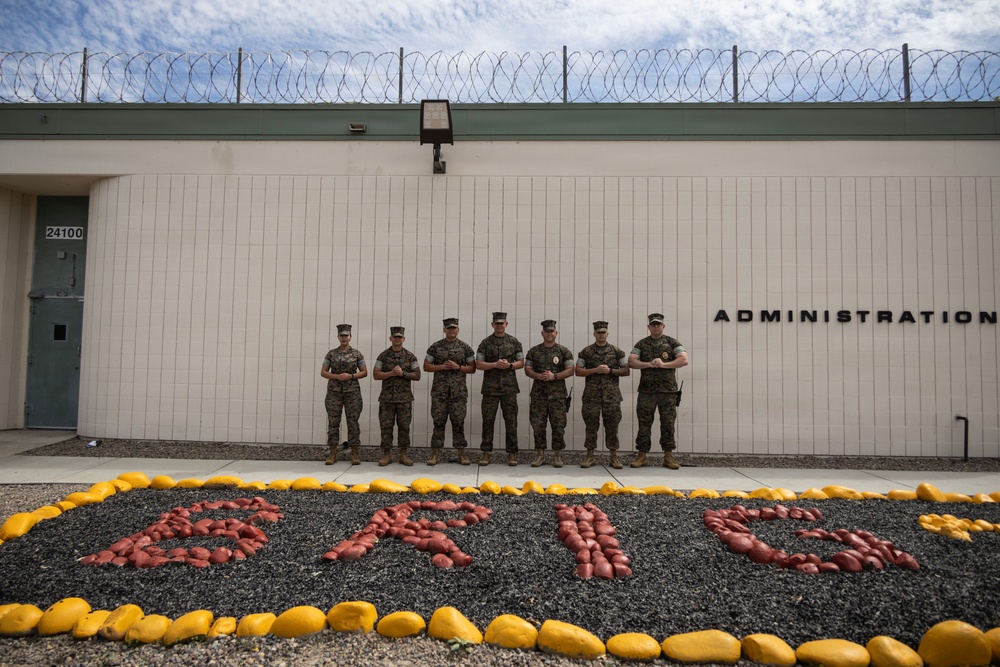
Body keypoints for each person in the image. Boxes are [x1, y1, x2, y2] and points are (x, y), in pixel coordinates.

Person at [628, 313, 688, 469]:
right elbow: (631, 362)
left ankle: (668, 457)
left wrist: (664, 365)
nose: (656, 327)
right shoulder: (641, 344)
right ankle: (642, 456)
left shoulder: (672, 342)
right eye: (653, 324)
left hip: (667, 392)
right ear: (649, 327)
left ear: (663, 326)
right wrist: (648, 364)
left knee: (668, 424)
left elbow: (683, 359)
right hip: (646, 392)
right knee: (644, 424)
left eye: (658, 324)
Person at [575, 320, 630, 469]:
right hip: (591, 396)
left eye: (603, 332)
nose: (601, 335)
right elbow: (578, 371)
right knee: (591, 426)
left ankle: (613, 457)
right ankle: (590, 456)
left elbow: (626, 370)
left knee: (612, 426)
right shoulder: (585, 352)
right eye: (598, 332)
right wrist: (594, 370)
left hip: (611, 397)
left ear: (607, 333)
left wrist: (610, 371)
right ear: (594, 334)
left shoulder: (617, 351)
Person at [423, 317, 477, 465]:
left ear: (458, 330)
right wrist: (441, 367)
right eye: (448, 328)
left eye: (454, 328)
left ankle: (461, 454)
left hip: (458, 394)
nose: (451, 330)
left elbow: (472, 368)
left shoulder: (465, 348)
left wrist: (458, 367)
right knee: (438, 422)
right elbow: (426, 366)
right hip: (439, 393)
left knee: (458, 422)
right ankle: (435, 454)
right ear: (444, 330)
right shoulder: (435, 347)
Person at [523, 319, 575, 467]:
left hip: (557, 396)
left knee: (558, 426)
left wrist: (555, 376)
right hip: (538, 395)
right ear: (542, 333)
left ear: (556, 333)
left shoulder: (563, 351)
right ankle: (540, 455)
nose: (549, 334)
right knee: (538, 425)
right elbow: (527, 369)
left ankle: (557, 456)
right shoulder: (533, 351)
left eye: (552, 331)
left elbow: (571, 370)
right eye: (547, 331)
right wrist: (538, 376)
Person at [475, 311, 524, 466]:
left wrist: (509, 365)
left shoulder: (514, 342)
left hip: (509, 389)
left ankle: (512, 453)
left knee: (511, 421)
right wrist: (495, 364)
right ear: (492, 325)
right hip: (490, 389)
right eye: (497, 323)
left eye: (502, 323)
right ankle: (486, 452)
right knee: (488, 421)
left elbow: (521, 362)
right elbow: (479, 364)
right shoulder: (485, 343)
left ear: (506, 324)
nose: (499, 326)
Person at [373, 326, 421, 466]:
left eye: (400, 337)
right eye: (395, 337)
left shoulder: (410, 356)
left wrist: (403, 374)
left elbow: (417, 375)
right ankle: (387, 454)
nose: (397, 339)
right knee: (386, 427)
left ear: (403, 339)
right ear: (390, 338)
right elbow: (376, 374)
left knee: (404, 427)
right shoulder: (383, 356)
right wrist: (390, 373)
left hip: (404, 399)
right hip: (387, 399)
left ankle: (403, 454)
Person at [320, 324, 367, 465]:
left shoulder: (357, 354)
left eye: (346, 335)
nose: (344, 338)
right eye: (341, 335)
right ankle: (333, 453)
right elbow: (323, 372)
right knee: (333, 422)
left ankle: (355, 453)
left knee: (353, 422)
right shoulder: (331, 354)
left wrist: (351, 376)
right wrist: (336, 376)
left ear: (350, 337)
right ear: (338, 337)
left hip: (352, 393)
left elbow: (364, 372)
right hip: (334, 392)